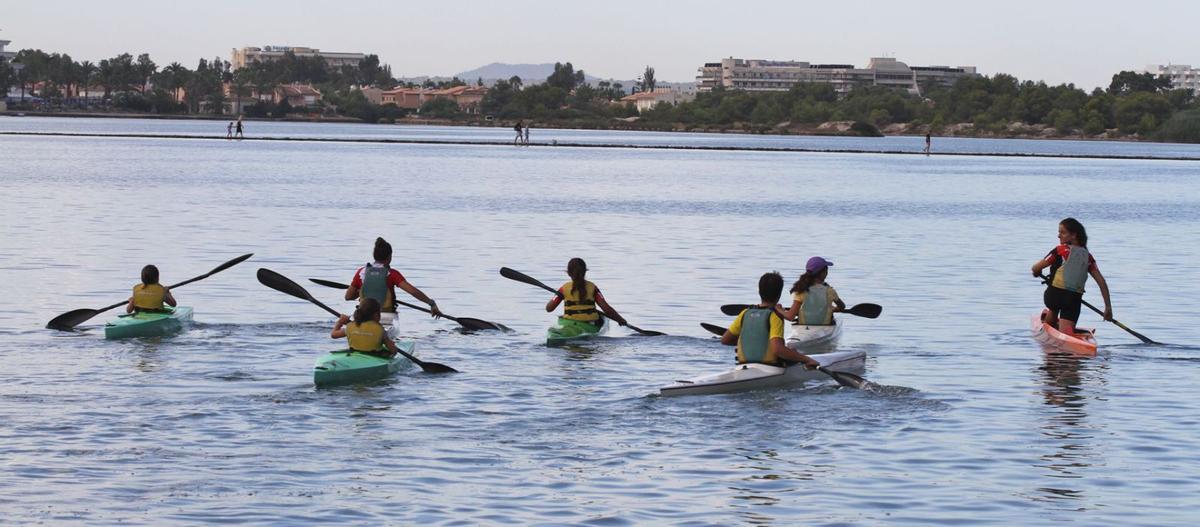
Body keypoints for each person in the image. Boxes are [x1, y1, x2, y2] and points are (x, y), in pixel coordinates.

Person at [1031, 217, 1113, 335]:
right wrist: (1108, 308)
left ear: (1074, 235)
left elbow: (1035, 268)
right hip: (1073, 300)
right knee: (1066, 330)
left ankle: (1047, 328)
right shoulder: (1088, 257)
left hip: (1054, 296)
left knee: (1054, 308)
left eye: (1062, 232)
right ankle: (1065, 332)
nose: (1059, 236)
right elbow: (1101, 282)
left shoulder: (1059, 250)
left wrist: (1036, 273)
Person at [722, 272, 820, 368]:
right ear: (779, 295)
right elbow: (778, 349)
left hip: (743, 366)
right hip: (770, 367)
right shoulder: (775, 316)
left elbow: (725, 340)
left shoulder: (745, 313)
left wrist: (749, 345)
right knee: (794, 353)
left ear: (759, 292)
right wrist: (806, 359)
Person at [345, 237, 441, 319]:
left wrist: (366, 289)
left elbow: (348, 297)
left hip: (363, 317)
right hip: (386, 317)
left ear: (374, 256)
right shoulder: (392, 274)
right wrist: (431, 303)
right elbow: (413, 292)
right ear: (389, 257)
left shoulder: (361, 272)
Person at [545, 257, 627, 327]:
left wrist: (558, 295)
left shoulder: (563, 289)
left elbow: (549, 308)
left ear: (568, 273)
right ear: (585, 272)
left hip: (568, 323)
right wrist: (620, 319)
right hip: (589, 325)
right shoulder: (593, 287)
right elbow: (606, 309)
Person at [782, 256, 846, 325]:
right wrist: (833, 309)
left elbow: (790, 316)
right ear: (823, 273)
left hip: (803, 328)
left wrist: (778, 309)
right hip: (824, 327)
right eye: (826, 270)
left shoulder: (801, 290)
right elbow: (842, 306)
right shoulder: (830, 291)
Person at [331, 298, 398, 356]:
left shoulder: (350, 326)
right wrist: (392, 346)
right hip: (375, 356)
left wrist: (340, 322)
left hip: (354, 354)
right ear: (376, 315)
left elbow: (333, 335)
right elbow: (393, 350)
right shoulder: (380, 330)